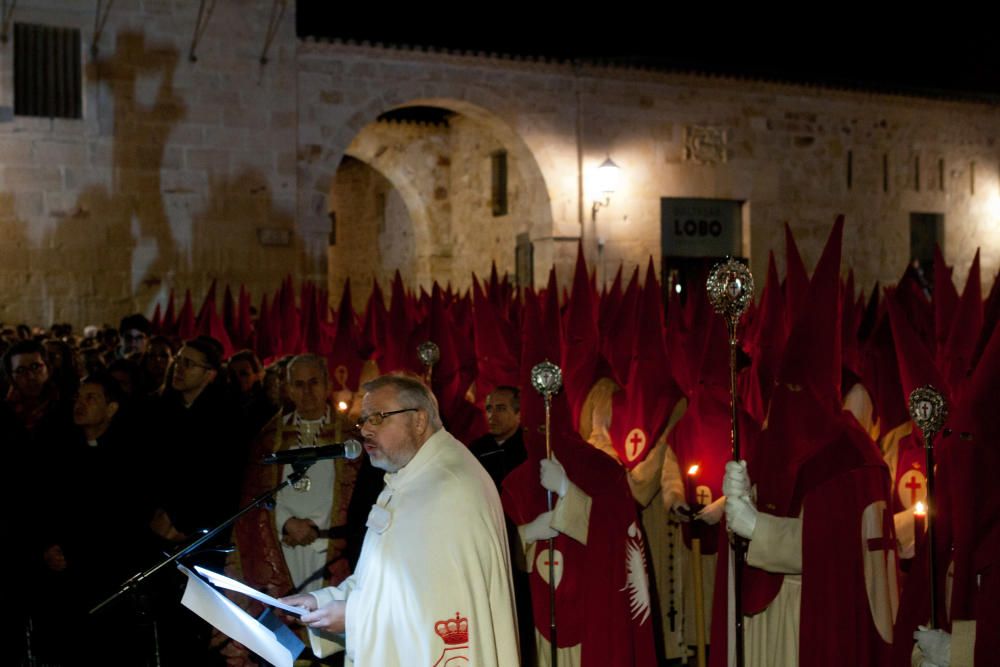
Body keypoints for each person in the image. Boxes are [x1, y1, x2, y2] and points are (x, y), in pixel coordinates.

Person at [282, 374, 518, 666]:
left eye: (378, 418)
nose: (365, 430)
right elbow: (382, 580)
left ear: (419, 421)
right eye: (363, 420)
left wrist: (354, 616)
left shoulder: (449, 486)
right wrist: (324, 601)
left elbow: (446, 606)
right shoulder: (411, 476)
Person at [234, 354, 359, 601]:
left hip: (331, 545)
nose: (307, 392)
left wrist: (315, 525)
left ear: (327, 384)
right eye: (298, 384)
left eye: (313, 382)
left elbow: (356, 494)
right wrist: (287, 522)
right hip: (284, 543)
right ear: (288, 388)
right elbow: (254, 494)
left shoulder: (350, 438)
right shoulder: (268, 438)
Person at [467, 385, 526, 490]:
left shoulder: (528, 449)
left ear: (518, 414)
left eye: (501, 409)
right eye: (489, 409)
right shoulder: (476, 449)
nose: (492, 416)